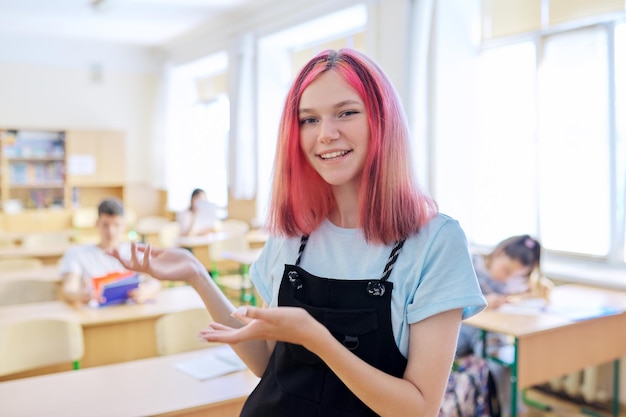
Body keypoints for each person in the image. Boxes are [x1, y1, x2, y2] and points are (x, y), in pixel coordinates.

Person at [112, 48, 487, 417]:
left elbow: (418, 409)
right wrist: (197, 275)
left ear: (382, 120)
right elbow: (267, 365)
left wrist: (318, 339)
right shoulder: (293, 233)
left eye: (346, 113)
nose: (326, 133)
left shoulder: (435, 241)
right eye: (309, 119)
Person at [455, 234, 552, 415]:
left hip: (488, 333)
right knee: (494, 359)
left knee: (504, 363)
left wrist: (523, 294)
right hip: (461, 330)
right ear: (499, 253)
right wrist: (484, 301)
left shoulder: (510, 282)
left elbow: (514, 298)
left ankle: (511, 410)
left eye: (517, 276)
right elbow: (451, 303)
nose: (507, 279)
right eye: (507, 271)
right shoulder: (469, 265)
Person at [59, 198, 161, 306]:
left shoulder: (136, 251)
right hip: (95, 314)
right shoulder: (76, 254)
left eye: (116, 225)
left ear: (124, 225)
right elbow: (68, 289)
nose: (111, 231)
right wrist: (81, 294)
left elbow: (155, 282)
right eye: (105, 225)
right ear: (97, 224)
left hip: (131, 310)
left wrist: (148, 291)